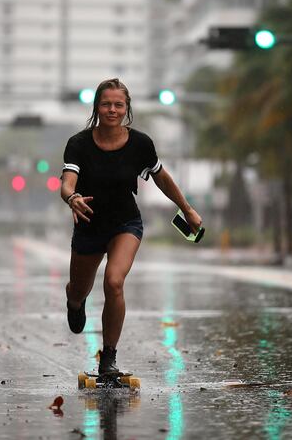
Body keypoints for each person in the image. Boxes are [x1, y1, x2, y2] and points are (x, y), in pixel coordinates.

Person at [60, 77, 203, 376]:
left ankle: (108, 358)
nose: (112, 109)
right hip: (88, 224)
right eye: (106, 104)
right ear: (97, 107)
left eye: (118, 104)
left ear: (126, 108)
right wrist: (72, 197)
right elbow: (67, 183)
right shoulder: (79, 144)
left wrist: (186, 209)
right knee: (78, 290)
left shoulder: (140, 144)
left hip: (126, 222)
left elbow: (162, 177)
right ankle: (75, 301)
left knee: (114, 282)